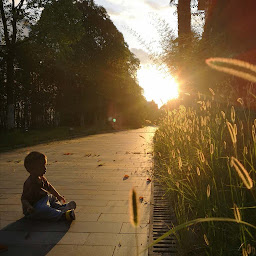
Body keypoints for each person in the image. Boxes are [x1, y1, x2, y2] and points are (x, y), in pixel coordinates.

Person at [21, 151, 76, 221]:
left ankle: (62, 207)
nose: (45, 168)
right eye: (41, 166)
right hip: (34, 207)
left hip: (44, 200)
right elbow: (24, 199)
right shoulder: (29, 183)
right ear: (32, 170)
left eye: (45, 165)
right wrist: (28, 207)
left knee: (52, 198)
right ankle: (62, 215)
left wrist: (58, 196)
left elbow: (49, 187)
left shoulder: (42, 178)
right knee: (44, 209)